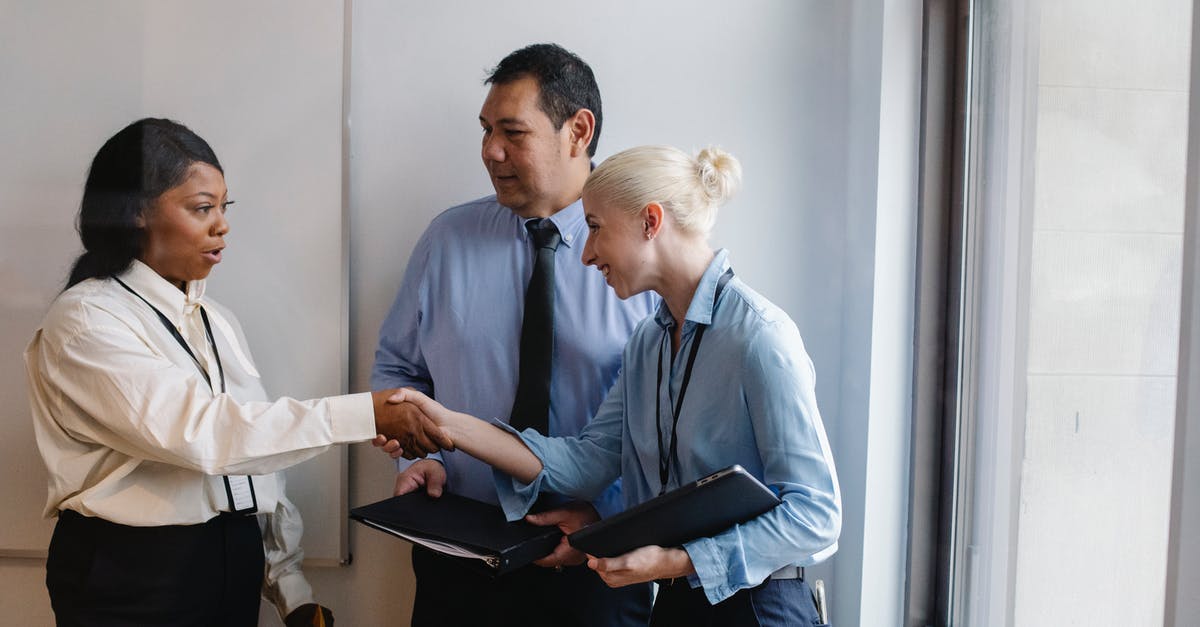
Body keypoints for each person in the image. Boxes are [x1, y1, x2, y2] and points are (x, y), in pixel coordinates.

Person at [385, 145, 841, 626]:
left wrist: (678, 561)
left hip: (759, 607)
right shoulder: (648, 343)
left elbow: (816, 517)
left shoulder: (760, 337)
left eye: (596, 227)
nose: (585, 253)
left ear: (650, 222)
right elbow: (586, 463)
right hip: (677, 604)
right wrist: (445, 424)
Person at [24, 117, 452, 627]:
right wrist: (365, 415)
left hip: (225, 564)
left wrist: (289, 586)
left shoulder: (215, 320)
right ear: (137, 212)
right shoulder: (86, 318)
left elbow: (251, 462)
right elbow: (205, 435)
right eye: (202, 208)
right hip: (132, 575)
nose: (221, 225)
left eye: (224, 208)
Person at [371, 43, 657, 626]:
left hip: (595, 565)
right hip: (459, 551)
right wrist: (416, 458)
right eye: (484, 130)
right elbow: (398, 371)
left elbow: (672, 420)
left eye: (512, 132)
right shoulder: (446, 240)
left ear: (578, 130)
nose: (490, 152)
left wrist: (613, 524)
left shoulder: (645, 253)